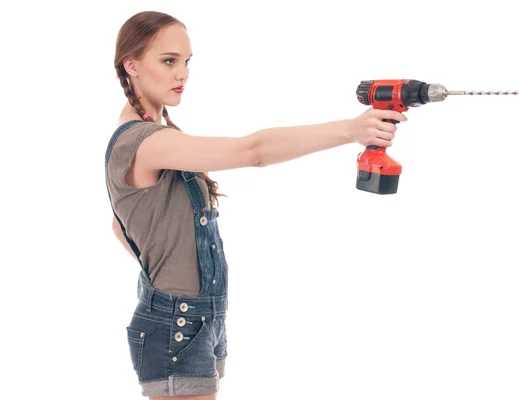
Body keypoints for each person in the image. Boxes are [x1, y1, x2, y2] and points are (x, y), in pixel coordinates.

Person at [105, 10, 407, 400]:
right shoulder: (143, 141)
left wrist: (166, 281)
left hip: (195, 316)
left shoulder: (161, 136)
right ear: (132, 65)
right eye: (168, 61)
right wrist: (350, 130)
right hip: (178, 321)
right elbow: (253, 151)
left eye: (186, 61)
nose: (182, 74)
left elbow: (121, 226)